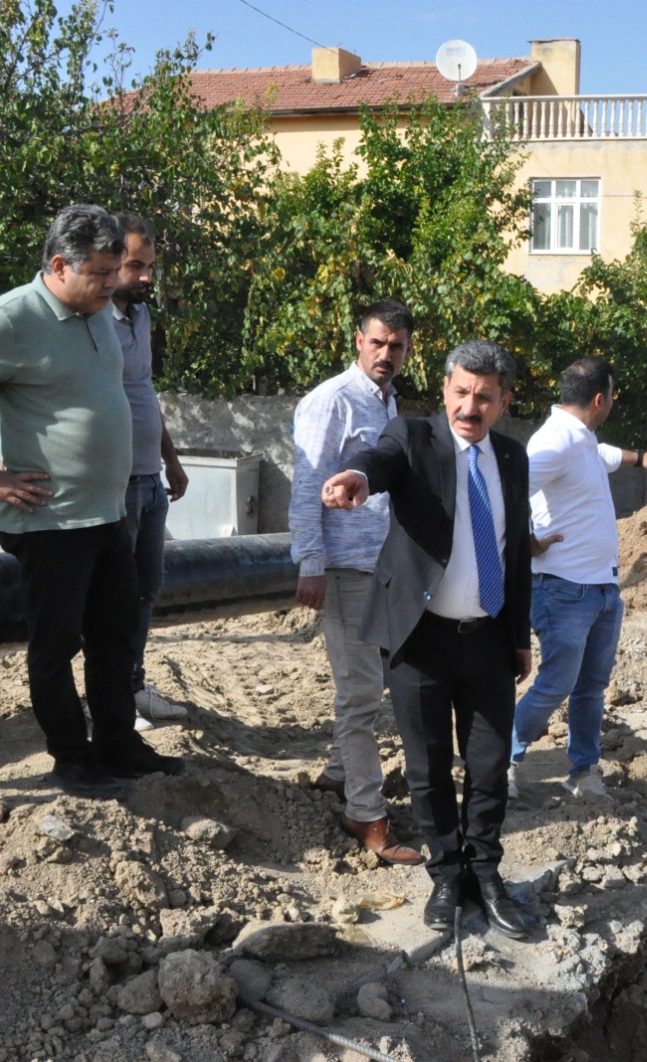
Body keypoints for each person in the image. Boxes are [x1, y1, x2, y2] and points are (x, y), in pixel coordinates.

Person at [0, 204, 183, 800]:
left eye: (117, 271)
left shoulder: (94, 312)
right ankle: (72, 757)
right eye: (100, 274)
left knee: (116, 640)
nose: (112, 284)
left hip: (108, 512)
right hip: (51, 521)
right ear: (59, 266)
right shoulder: (10, 318)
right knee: (56, 647)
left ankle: (118, 743)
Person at [321, 340, 533, 939]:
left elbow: (516, 552)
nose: (471, 406)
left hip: (489, 639)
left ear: (504, 402)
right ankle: (445, 874)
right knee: (429, 766)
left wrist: (519, 636)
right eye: (462, 392)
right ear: (445, 390)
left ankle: (485, 873)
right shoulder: (414, 439)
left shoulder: (512, 459)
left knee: (489, 766)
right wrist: (358, 478)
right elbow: (377, 456)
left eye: (485, 397)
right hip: (418, 640)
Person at [288, 300, 422, 866]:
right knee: (361, 693)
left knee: (369, 686)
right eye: (378, 343)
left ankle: (341, 775)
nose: (386, 355)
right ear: (357, 341)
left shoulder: (387, 403)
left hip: (383, 566)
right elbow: (306, 484)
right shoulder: (331, 402)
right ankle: (367, 816)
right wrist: (311, 562)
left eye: (397, 346)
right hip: (344, 569)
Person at [509, 357, 647, 800]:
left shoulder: (581, 438)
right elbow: (510, 488)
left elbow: (603, 456)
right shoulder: (554, 442)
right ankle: (501, 756)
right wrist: (526, 539)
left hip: (602, 589)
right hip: (563, 588)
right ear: (599, 399)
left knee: (591, 688)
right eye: (612, 396)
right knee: (556, 684)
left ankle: (583, 772)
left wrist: (642, 458)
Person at [111, 213, 189, 728]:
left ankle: (132, 688)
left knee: (146, 590)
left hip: (147, 481)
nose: (145, 277)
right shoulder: (90, 320)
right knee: (112, 597)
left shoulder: (138, 317)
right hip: (111, 486)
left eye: (150, 266)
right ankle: (111, 700)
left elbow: (144, 392)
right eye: (135, 265)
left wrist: (171, 459)